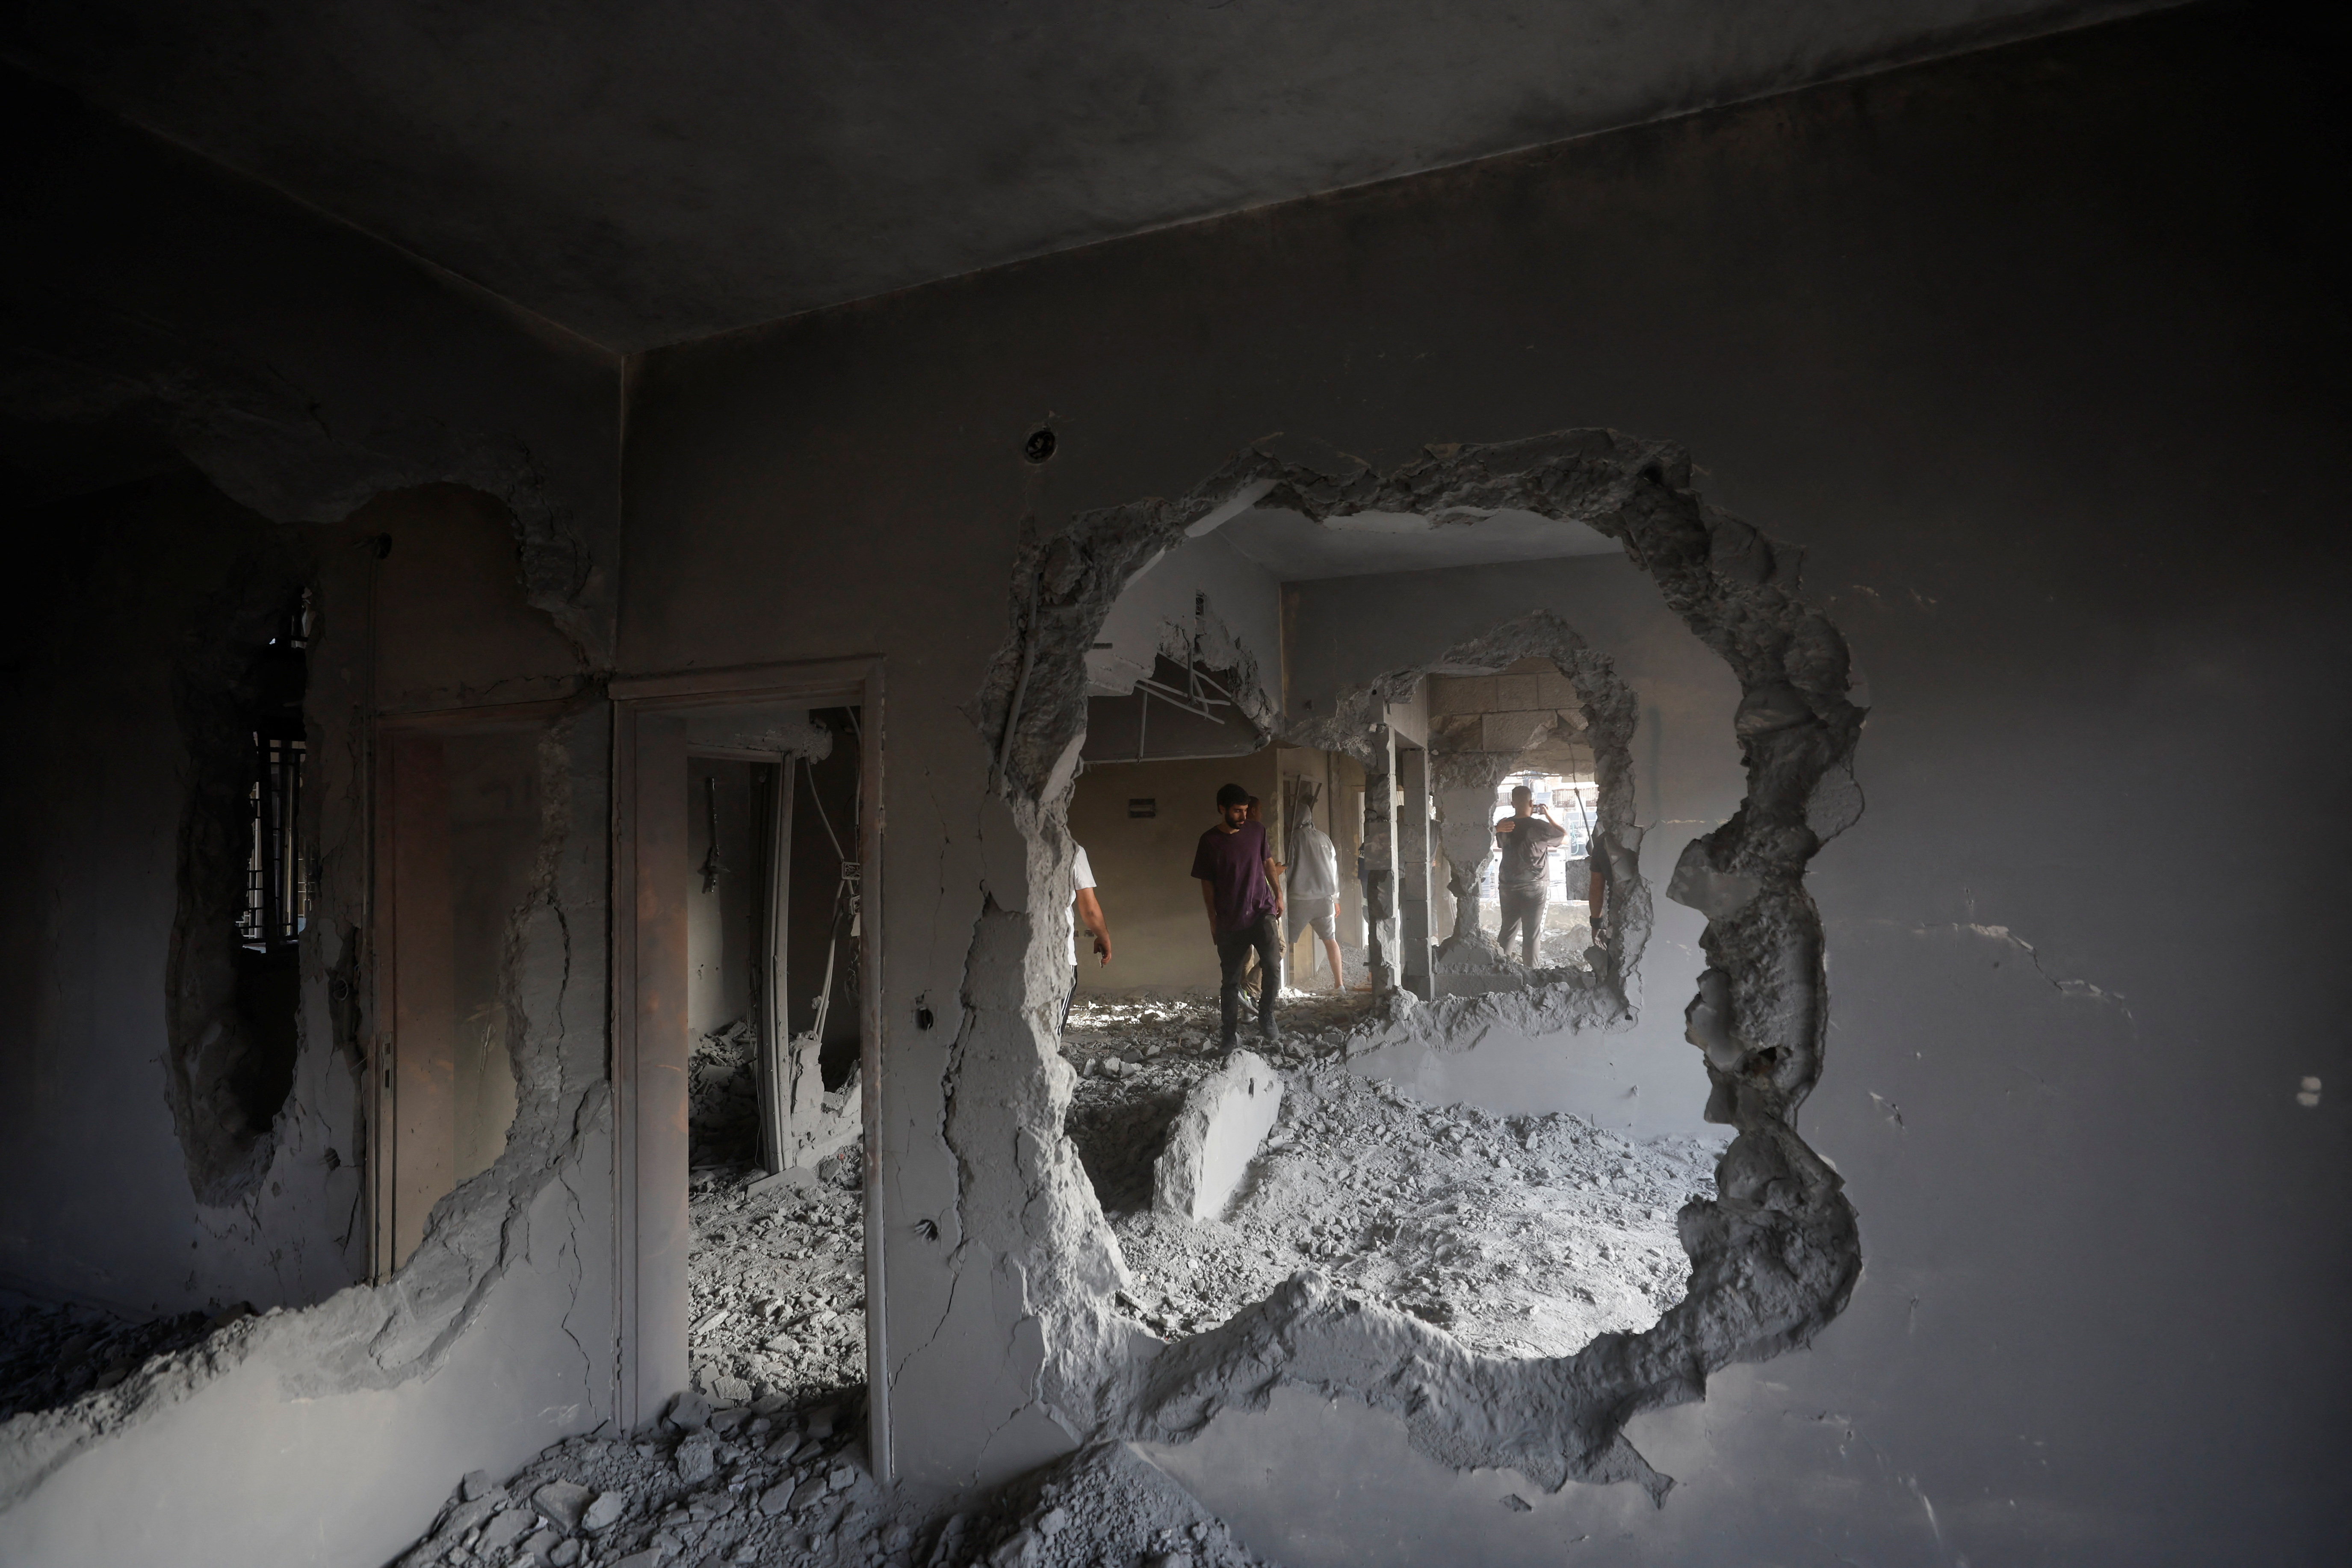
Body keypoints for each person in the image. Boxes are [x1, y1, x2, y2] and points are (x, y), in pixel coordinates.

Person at [1193, 782, 1284, 1049]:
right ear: (1222, 809)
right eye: (1237, 811)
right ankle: (1229, 1035)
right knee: (1230, 981)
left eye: (1246, 810)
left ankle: (1266, 1013)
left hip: (1261, 911)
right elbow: (1206, 882)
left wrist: (1278, 894)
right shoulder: (1209, 841)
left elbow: (1268, 862)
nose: (1244, 817)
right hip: (1230, 920)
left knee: (1273, 963)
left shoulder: (1257, 831)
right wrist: (1213, 919)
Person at [1493, 784, 1567, 966]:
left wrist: (1496, 828)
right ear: (1532, 803)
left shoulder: (1504, 827)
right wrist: (1549, 815)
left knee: (1508, 931)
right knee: (1532, 935)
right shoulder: (1540, 827)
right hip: (1535, 888)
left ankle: (1499, 971)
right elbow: (1564, 836)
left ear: (1512, 804)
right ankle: (1531, 976)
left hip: (1508, 887)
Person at [1285, 804, 1347, 992]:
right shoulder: (1324, 838)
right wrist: (1336, 899)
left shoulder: (1293, 839)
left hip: (1299, 900)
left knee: (1284, 944)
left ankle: (1277, 986)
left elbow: (1289, 867)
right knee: (1331, 941)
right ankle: (1340, 986)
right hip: (1325, 900)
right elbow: (1334, 869)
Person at [1064, 843, 1111, 1029]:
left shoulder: (999, 844)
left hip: (1005, 954)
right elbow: (1090, 911)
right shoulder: (1071, 849)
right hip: (1059, 956)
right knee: (1050, 1032)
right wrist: (1104, 937)